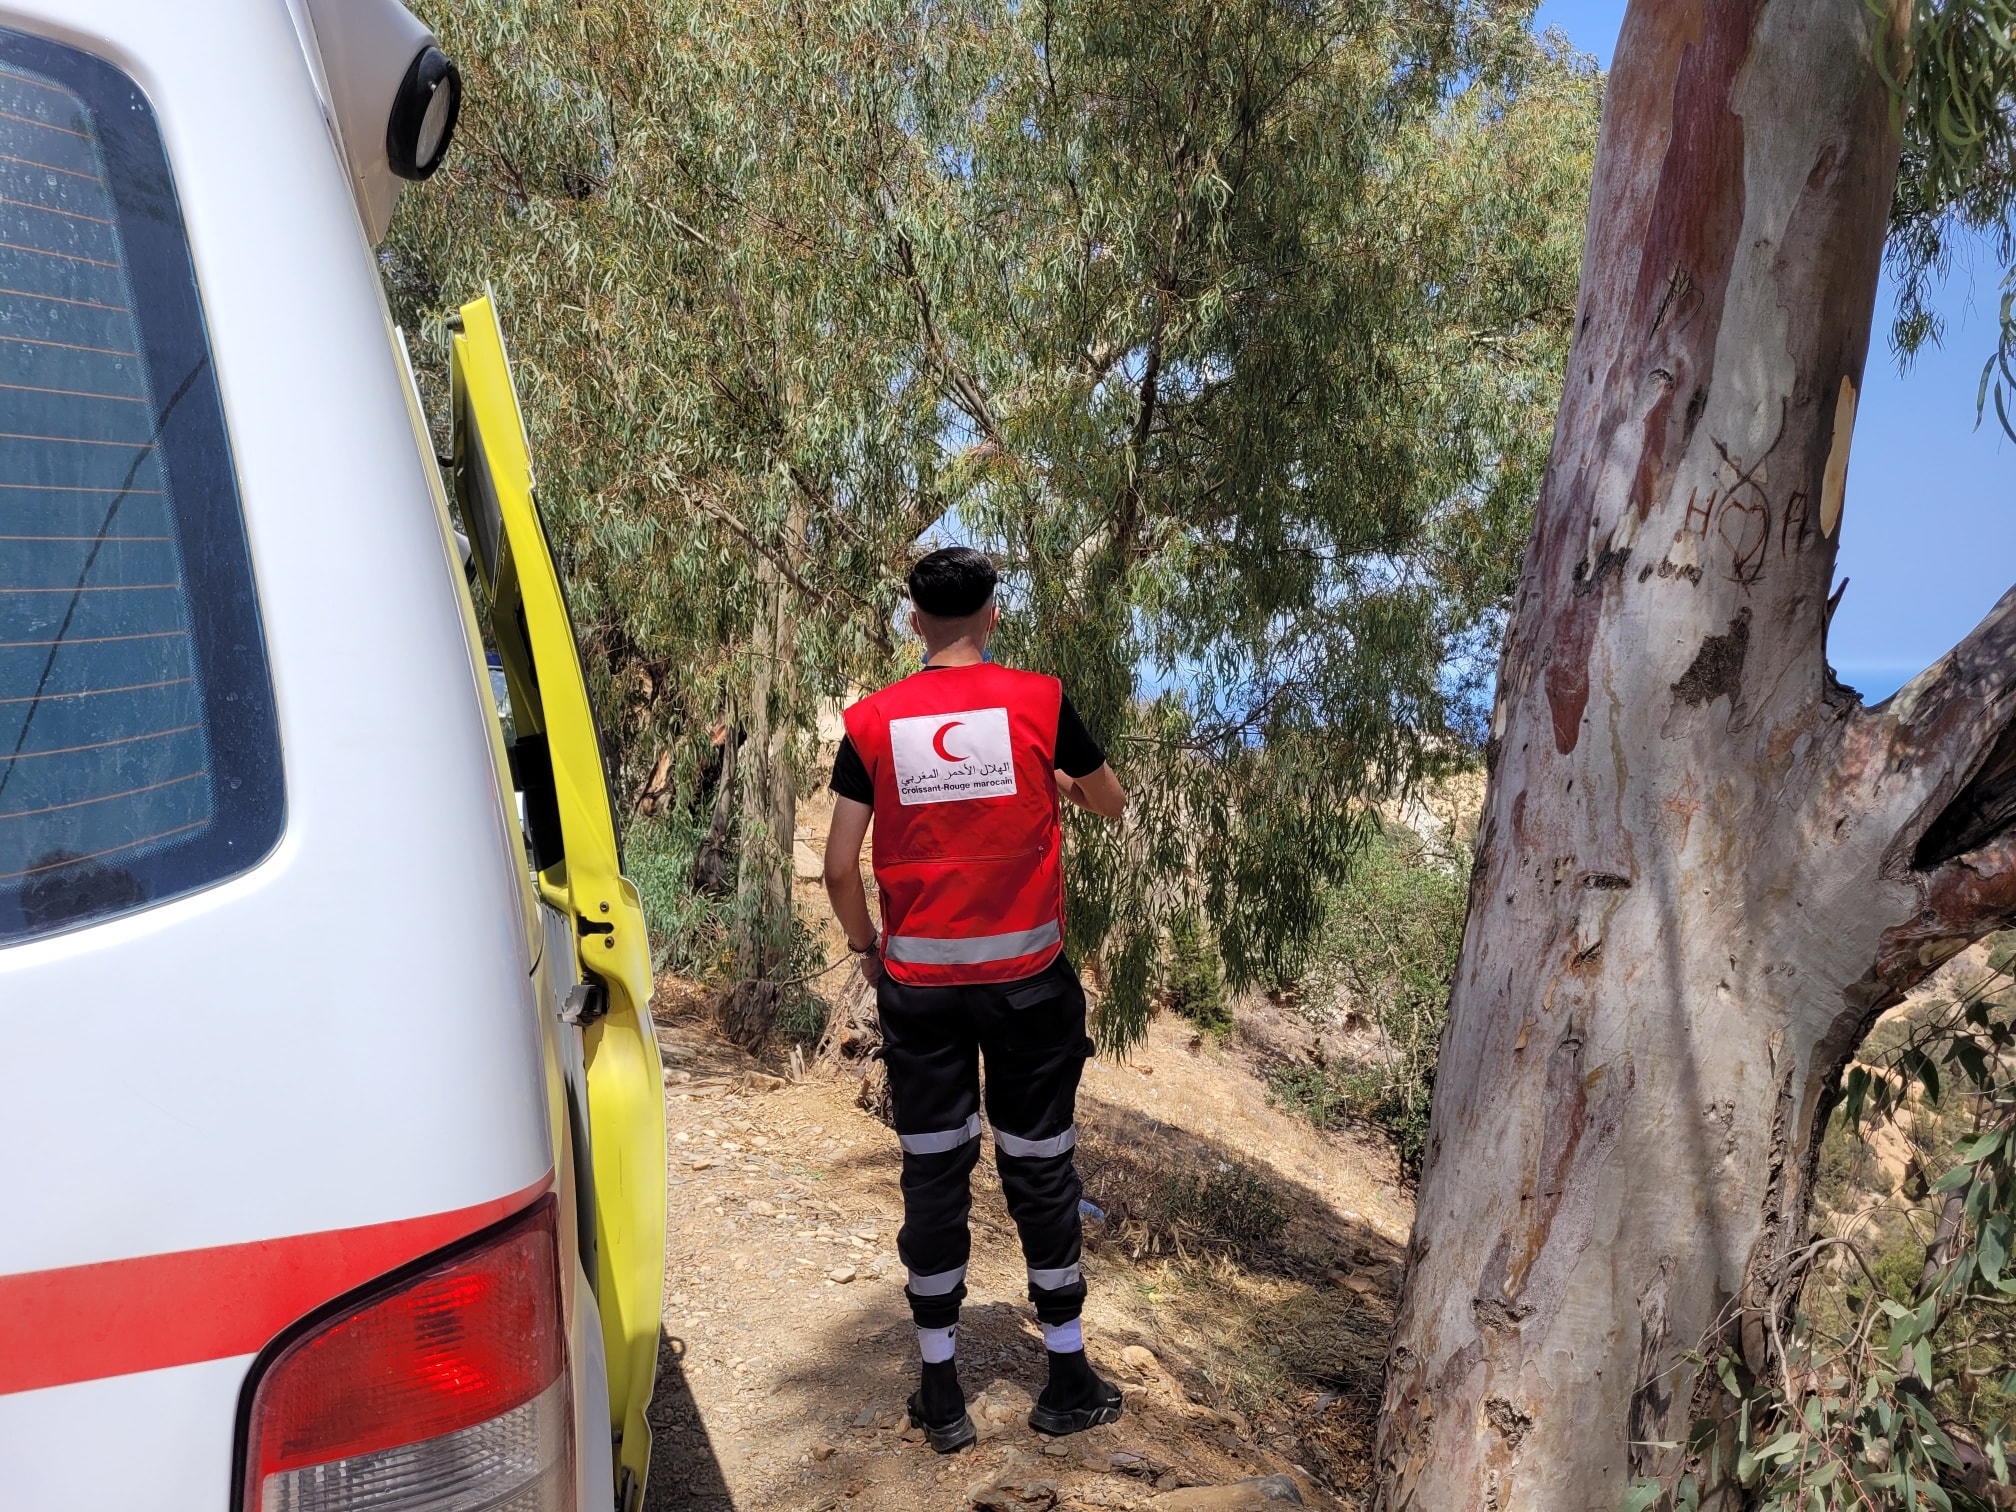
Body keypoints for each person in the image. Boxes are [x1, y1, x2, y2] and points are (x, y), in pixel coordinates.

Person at [823, 546, 1128, 1454]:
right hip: (1030, 989)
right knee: (1039, 1165)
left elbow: (838, 866)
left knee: (934, 1171)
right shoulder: (1039, 702)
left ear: (914, 622)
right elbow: (1111, 803)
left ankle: (941, 1389)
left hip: (920, 994)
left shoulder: (872, 723)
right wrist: (1061, 782)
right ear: (993, 615)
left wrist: (868, 951)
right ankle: (1066, 1377)